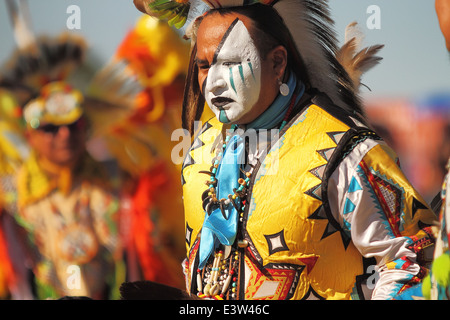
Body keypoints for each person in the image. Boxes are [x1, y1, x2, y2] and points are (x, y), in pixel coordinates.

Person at [134, 0, 438, 300]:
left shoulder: (342, 150)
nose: (213, 83)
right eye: (203, 66)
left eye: (230, 64)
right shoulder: (199, 151)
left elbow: (413, 257)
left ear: (278, 63)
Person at [14, 81, 126, 299]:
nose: (65, 134)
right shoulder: (10, 194)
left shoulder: (117, 179)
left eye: (74, 125)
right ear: (30, 136)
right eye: (51, 128)